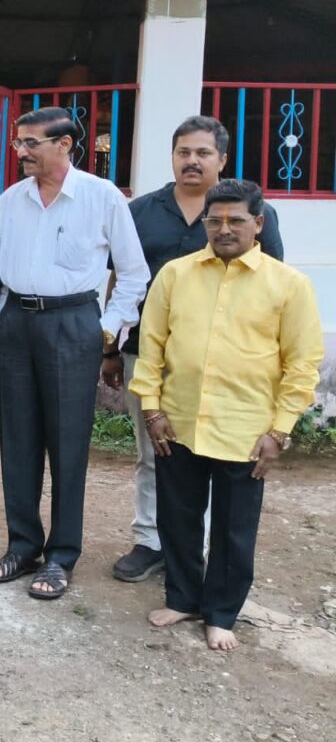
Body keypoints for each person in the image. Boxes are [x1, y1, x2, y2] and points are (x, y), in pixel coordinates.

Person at [131, 179, 322, 651]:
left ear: (258, 223)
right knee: (178, 517)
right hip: (179, 422)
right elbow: (151, 346)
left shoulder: (288, 284)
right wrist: (152, 410)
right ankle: (182, 597)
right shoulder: (175, 275)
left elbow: (302, 364)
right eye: (214, 221)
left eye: (236, 220)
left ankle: (221, 613)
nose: (224, 229)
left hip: (246, 429)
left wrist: (280, 430)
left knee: (234, 528)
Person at [106, 116, 285, 584]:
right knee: (155, 451)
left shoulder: (252, 213)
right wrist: (110, 348)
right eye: (183, 152)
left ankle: (196, 550)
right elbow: (120, 277)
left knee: (214, 454)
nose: (192, 160)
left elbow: (272, 282)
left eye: (203, 153)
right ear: (172, 156)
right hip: (148, 353)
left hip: (227, 361)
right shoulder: (141, 211)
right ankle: (151, 541)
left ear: (222, 159)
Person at [0, 107, 147, 600]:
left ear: (65, 144)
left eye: (30, 143)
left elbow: (133, 274)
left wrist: (105, 330)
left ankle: (62, 554)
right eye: (18, 143)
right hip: (17, 322)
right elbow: (0, 276)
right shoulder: (11, 200)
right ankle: (22, 545)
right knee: (17, 439)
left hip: (74, 323)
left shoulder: (101, 196)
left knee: (68, 443)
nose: (21, 152)